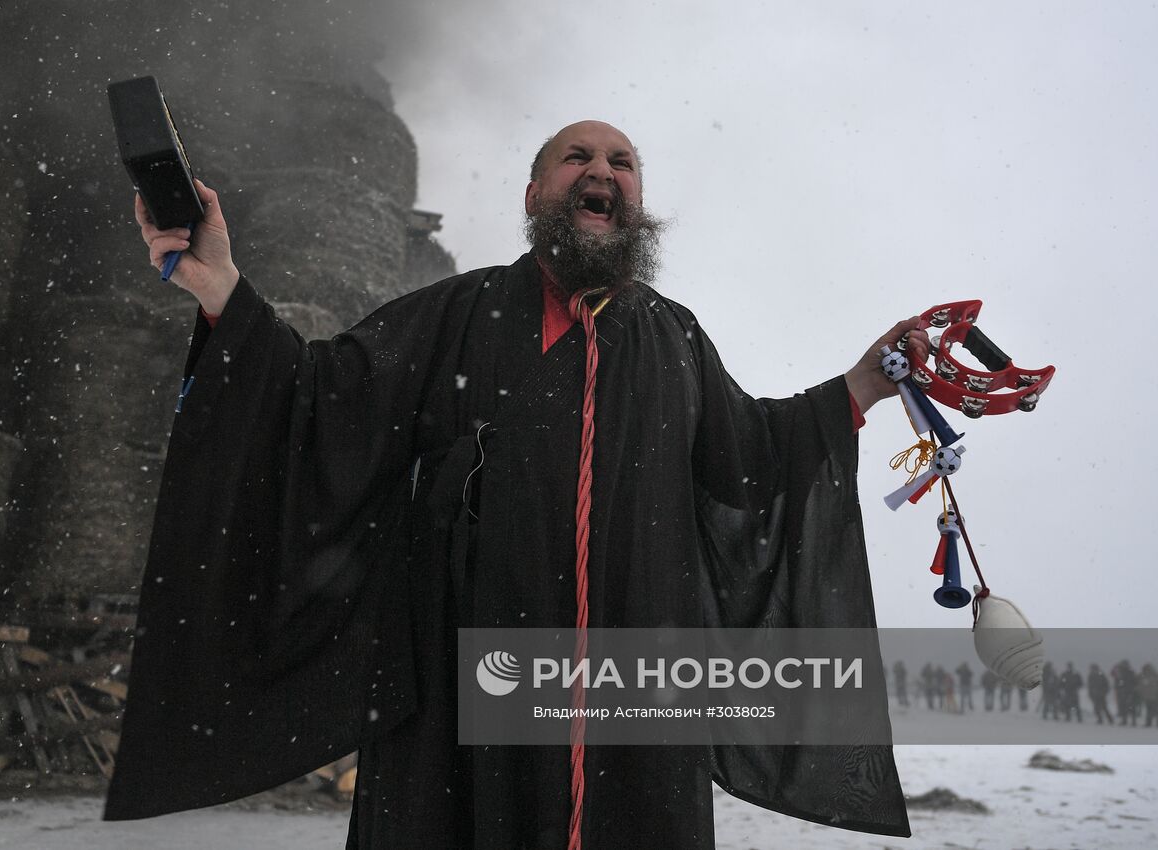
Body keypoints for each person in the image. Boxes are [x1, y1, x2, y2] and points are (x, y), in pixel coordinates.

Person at [103, 120, 921, 847]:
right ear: (537, 193)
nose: (602, 169)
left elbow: (753, 458)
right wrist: (218, 288)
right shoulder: (459, 313)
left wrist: (863, 385)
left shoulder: (676, 338)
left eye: (622, 161)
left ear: (637, 200)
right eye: (577, 156)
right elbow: (315, 399)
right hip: (467, 696)